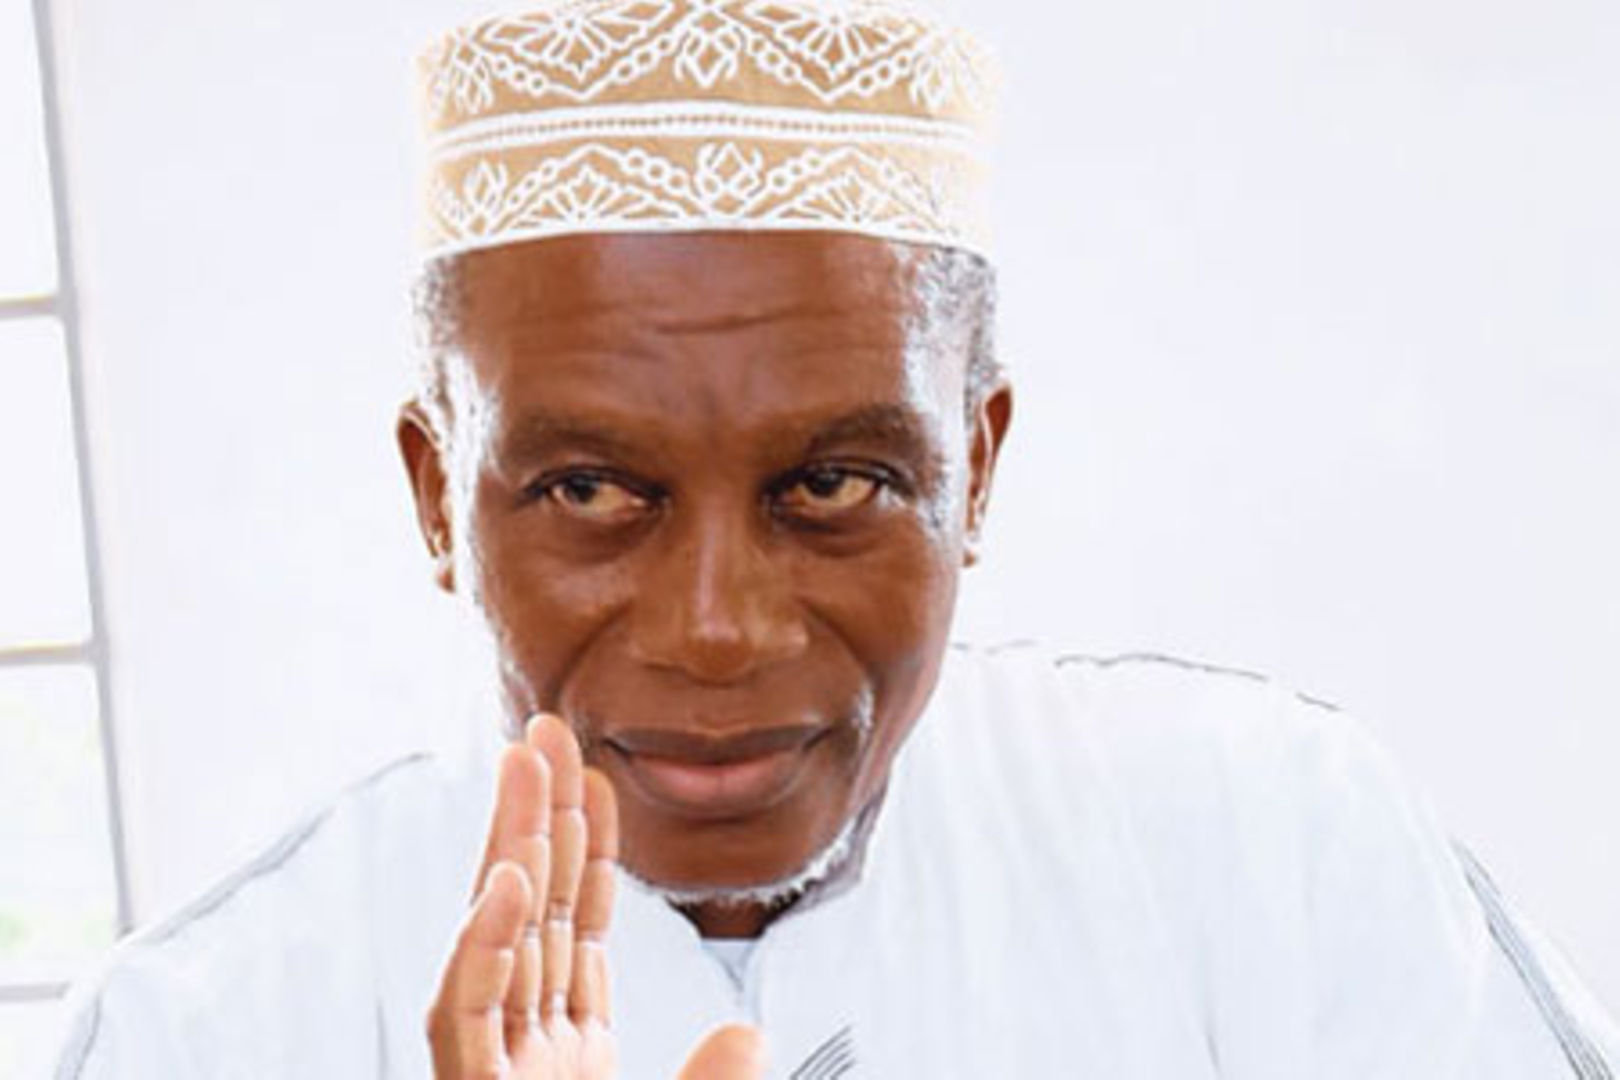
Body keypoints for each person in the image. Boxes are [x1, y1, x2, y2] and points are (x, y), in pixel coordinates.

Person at [49, 1, 1619, 1077]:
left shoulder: (1281, 860)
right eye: (590, 492)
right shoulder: (207, 1027)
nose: (717, 628)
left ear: (974, 472)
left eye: (836, 485)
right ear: (433, 495)